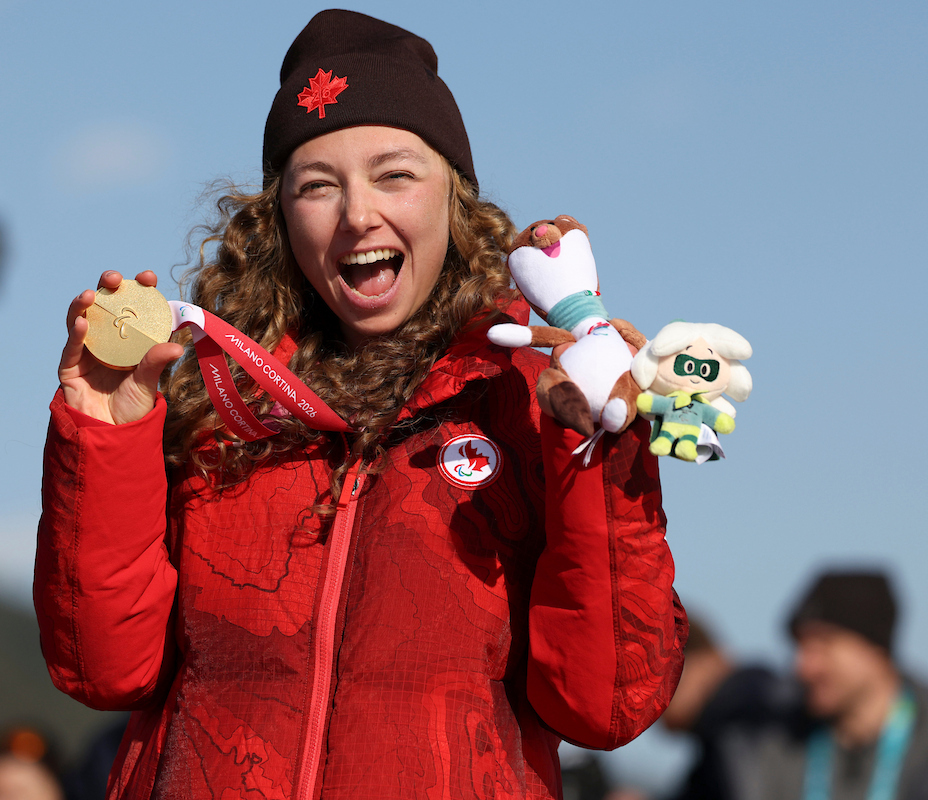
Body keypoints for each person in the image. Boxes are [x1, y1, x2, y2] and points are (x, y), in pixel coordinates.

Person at [34, 10, 687, 799]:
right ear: (280, 218)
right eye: (317, 185)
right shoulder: (217, 405)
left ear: (456, 200)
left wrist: (593, 450)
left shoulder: (527, 400)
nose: (357, 213)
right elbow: (103, 670)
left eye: (395, 174)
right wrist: (105, 434)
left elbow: (604, 705)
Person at [750, 570, 928, 800]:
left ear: (875, 646)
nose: (803, 667)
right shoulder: (777, 744)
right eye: (800, 647)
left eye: (823, 645)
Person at [661, 617, 796, 800]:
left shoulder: (745, 713)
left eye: (659, 683)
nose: (646, 703)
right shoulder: (714, 739)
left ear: (702, 663)